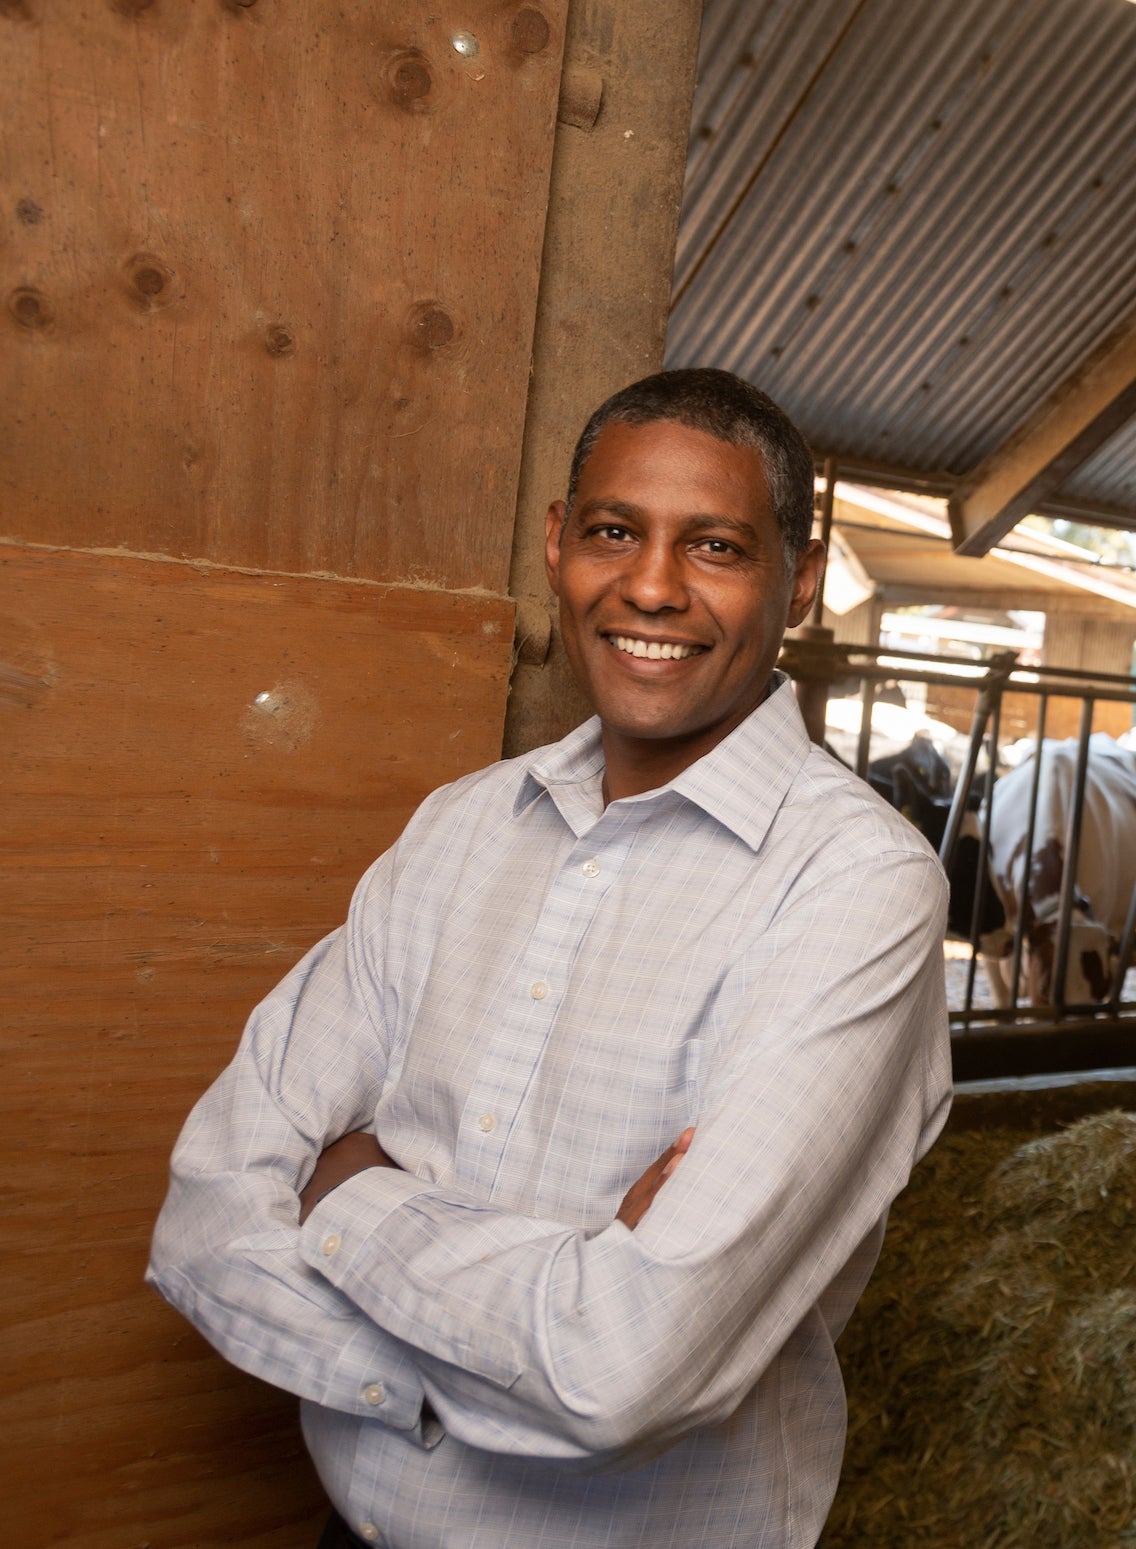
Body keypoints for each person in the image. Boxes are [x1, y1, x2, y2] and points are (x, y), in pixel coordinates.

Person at [149, 368, 951, 1548]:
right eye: (615, 531)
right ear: (556, 541)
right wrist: (508, 1329)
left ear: (803, 580)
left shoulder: (855, 887)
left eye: (717, 546)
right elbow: (207, 1213)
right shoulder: (458, 829)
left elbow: (625, 1367)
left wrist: (354, 1192)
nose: (652, 587)